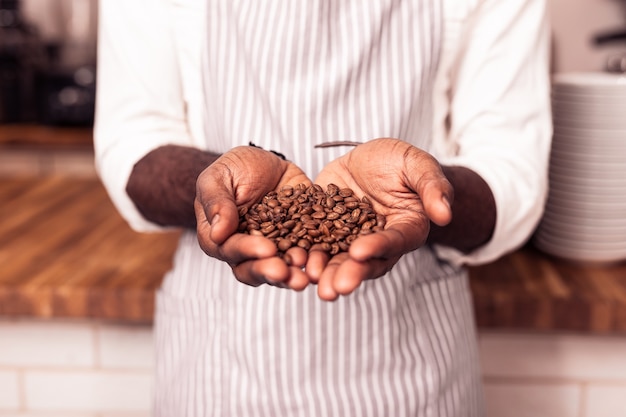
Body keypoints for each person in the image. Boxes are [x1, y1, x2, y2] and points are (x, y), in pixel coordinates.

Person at [94, 0, 552, 415]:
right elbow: (133, 142)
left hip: (412, 373)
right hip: (219, 372)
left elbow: (512, 175)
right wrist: (217, 189)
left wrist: (423, 189)